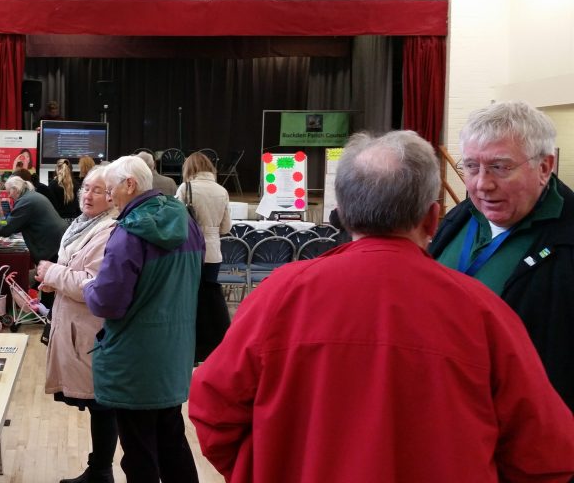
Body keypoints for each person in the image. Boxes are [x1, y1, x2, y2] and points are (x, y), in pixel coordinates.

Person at [189, 130, 574, 482]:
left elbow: (212, 410)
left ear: (342, 213)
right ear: (432, 218)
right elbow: (546, 454)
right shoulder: (484, 312)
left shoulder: (279, 296)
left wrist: (265, 467)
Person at [429, 100, 574, 411]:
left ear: (545, 167)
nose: (482, 184)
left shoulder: (567, 239)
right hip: (447, 410)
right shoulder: (459, 219)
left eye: (500, 167)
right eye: (471, 166)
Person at [83, 155, 204, 483]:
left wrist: (88, 287)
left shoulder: (128, 233)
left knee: (139, 455)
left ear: (130, 185)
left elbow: (108, 303)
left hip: (134, 360)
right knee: (173, 444)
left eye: (111, 191)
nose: (109, 199)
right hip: (173, 354)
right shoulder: (187, 223)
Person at [35, 165, 119, 483]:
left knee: (103, 404)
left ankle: (101, 471)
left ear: (111, 196)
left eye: (97, 190)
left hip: (91, 329)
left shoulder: (110, 230)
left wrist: (54, 274)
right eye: (85, 188)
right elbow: (72, 266)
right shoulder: (82, 225)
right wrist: (52, 280)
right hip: (75, 325)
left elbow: (94, 285)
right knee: (99, 405)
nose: (88, 195)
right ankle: (98, 469)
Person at [175, 151, 232, 363]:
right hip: (214, 252)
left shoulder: (186, 188)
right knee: (210, 297)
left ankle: (192, 347)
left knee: (190, 300)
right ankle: (216, 343)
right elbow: (226, 227)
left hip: (191, 251)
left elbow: (177, 222)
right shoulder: (222, 190)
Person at [0, 175, 67, 266]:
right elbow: (12, 223)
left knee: (48, 276)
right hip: (56, 242)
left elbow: (7, 227)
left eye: (9, 192)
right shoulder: (31, 196)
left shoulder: (25, 201)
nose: (9, 195)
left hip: (50, 246)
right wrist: (3, 221)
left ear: (15, 189)